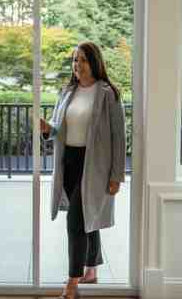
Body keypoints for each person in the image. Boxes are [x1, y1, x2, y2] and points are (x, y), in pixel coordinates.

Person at [40, 41, 127, 299]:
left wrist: (116, 176)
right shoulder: (68, 91)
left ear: (95, 63)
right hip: (69, 163)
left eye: (83, 60)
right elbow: (59, 127)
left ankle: (72, 283)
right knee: (88, 216)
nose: (77, 65)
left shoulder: (108, 93)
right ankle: (91, 271)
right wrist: (48, 129)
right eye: (75, 60)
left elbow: (119, 137)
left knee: (75, 221)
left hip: (95, 166)